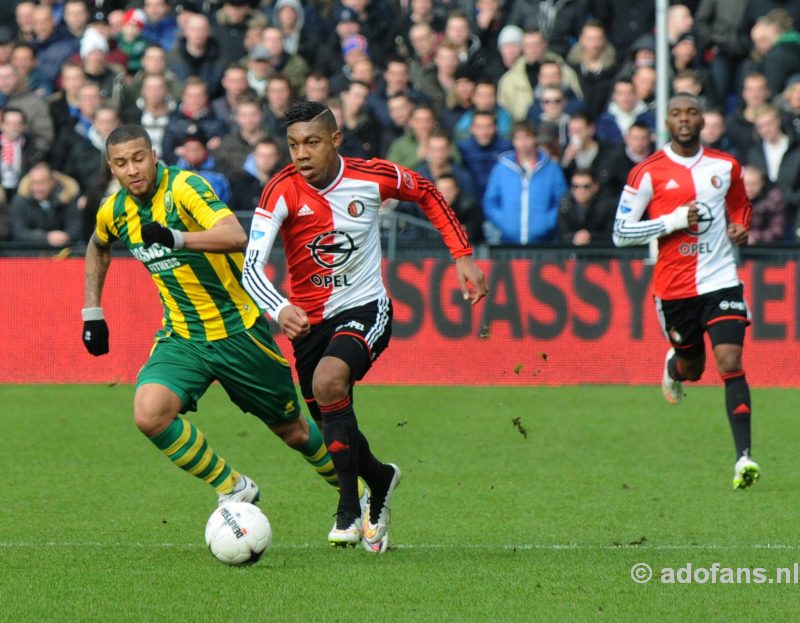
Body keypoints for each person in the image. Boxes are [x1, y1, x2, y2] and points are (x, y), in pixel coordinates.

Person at [81, 124, 360, 539]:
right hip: (182, 336)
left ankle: (356, 499)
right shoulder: (115, 210)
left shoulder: (185, 188)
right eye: (121, 163)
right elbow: (98, 244)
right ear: (112, 167)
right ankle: (233, 486)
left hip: (238, 332)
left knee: (295, 431)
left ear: (154, 155)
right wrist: (92, 311)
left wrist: (176, 237)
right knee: (149, 414)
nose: (132, 169)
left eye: (139, 158)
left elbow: (236, 236)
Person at [240, 101, 487, 552]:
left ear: (335, 140)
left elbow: (427, 191)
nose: (301, 153)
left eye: (312, 142)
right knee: (331, 421)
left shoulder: (371, 175)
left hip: (366, 308)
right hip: (307, 325)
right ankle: (381, 478)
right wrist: (279, 307)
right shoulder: (279, 189)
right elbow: (251, 267)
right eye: (293, 144)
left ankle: (348, 508)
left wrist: (462, 254)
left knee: (330, 380)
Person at [612, 93, 760, 490]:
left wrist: (740, 227)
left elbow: (741, 206)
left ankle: (744, 458)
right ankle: (674, 368)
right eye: (676, 113)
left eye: (692, 112)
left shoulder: (725, 166)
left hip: (720, 278)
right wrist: (671, 221)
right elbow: (620, 233)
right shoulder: (647, 172)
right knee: (692, 368)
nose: (684, 119)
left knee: (729, 360)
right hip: (675, 290)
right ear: (667, 122)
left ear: (702, 120)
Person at [482, 121, 567, 244]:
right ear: (513, 141)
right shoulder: (501, 168)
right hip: (507, 242)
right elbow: (490, 202)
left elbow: (562, 201)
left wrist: (547, 222)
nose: (523, 143)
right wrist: (504, 222)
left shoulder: (552, 168)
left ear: (535, 139)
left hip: (545, 243)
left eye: (527, 137)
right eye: (518, 138)